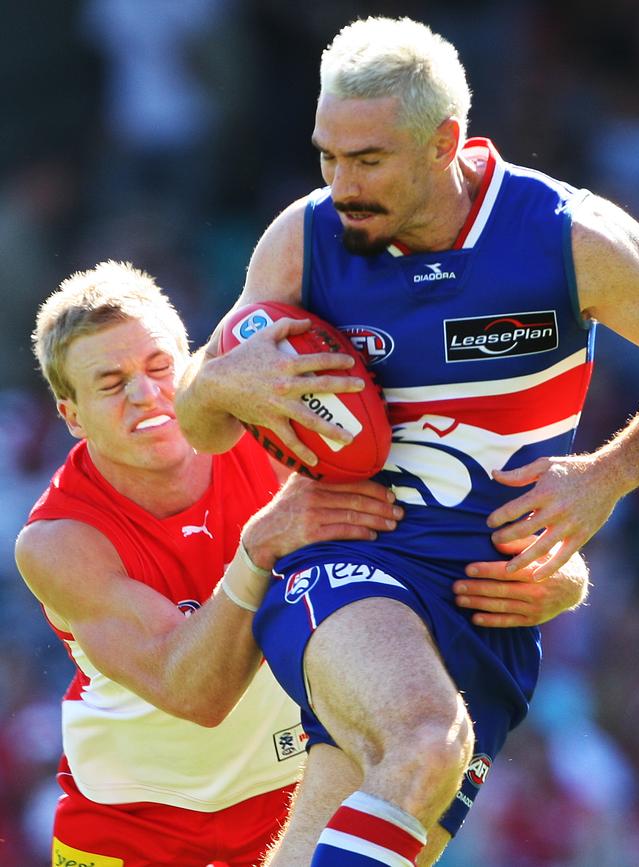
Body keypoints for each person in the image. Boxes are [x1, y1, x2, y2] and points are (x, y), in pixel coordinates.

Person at [174, 15, 639, 866]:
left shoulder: (568, 238)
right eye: (327, 155)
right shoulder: (306, 238)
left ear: (445, 143)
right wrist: (217, 383)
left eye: (368, 160)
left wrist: (608, 474)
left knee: (344, 833)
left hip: (490, 611)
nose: (340, 184)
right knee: (427, 739)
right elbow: (198, 418)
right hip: (347, 564)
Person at [13, 260, 410, 867]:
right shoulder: (59, 540)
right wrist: (258, 549)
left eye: (158, 367)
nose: (145, 394)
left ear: (192, 362)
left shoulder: (275, 439)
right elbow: (197, 693)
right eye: (111, 383)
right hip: (129, 828)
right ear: (71, 416)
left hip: (297, 799)